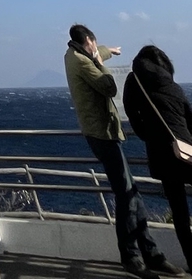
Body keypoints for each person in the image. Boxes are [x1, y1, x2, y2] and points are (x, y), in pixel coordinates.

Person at [64, 24, 181, 276]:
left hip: (99, 132)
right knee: (127, 195)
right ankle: (132, 257)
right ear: (88, 41)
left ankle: (150, 254)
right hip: (102, 134)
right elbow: (109, 86)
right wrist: (100, 61)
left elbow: (94, 55)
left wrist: (107, 51)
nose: (97, 49)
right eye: (96, 44)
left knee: (132, 194)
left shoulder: (73, 55)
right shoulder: (82, 63)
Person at [124, 46, 192, 275]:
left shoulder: (135, 82)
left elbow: (132, 114)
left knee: (180, 215)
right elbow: (189, 119)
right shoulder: (172, 85)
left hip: (163, 156)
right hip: (187, 152)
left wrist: (149, 136)